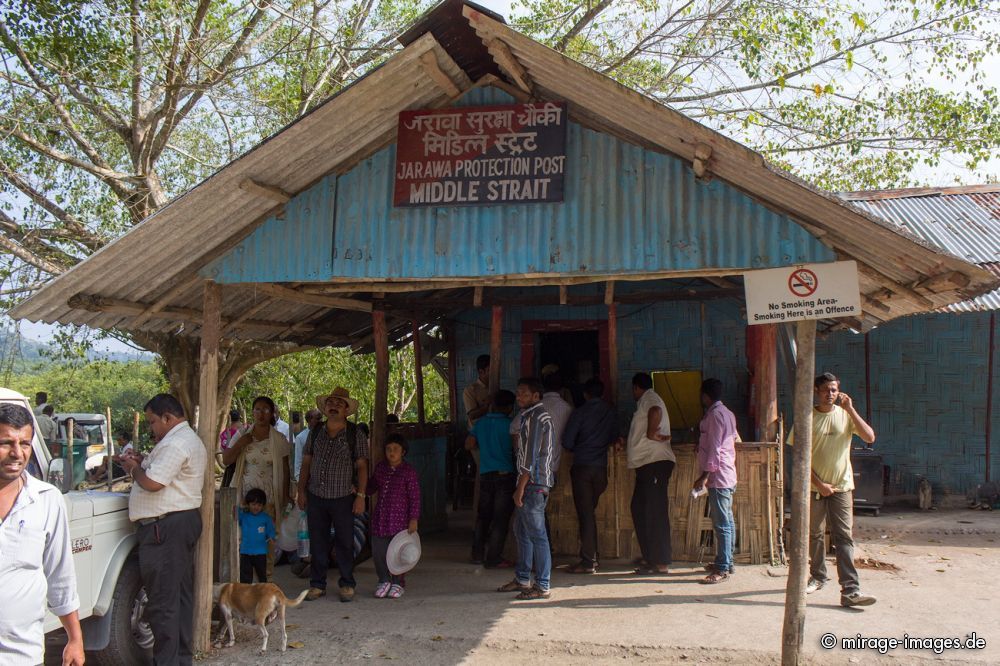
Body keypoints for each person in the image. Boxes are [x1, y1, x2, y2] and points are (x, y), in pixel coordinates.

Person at [119, 393, 206, 666]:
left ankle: (168, 661)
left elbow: (153, 483)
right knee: (177, 599)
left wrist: (133, 469)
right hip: (175, 525)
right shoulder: (180, 440)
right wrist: (143, 460)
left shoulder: (176, 443)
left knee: (163, 603)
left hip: (165, 528)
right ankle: (180, 659)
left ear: (167, 417)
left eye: (152, 421)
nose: (151, 427)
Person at [0, 403, 84, 666]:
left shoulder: (47, 499)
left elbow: (60, 574)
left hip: (22, 655)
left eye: (25, 444)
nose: (17, 453)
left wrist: (75, 639)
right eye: (5, 443)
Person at [788, 372, 877, 608]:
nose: (831, 394)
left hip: (842, 487)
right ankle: (818, 576)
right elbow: (799, 458)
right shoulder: (806, 418)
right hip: (814, 488)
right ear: (816, 391)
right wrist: (819, 484)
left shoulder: (845, 415)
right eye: (826, 389)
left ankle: (850, 590)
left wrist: (851, 409)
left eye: (834, 390)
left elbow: (869, 437)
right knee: (815, 535)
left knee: (844, 537)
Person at [297, 387, 370, 603]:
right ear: (325, 408)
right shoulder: (316, 431)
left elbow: (362, 467)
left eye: (339, 404)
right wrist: (301, 491)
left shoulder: (355, 433)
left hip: (343, 497)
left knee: (344, 542)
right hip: (316, 495)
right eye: (331, 403)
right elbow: (306, 462)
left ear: (346, 410)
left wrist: (361, 496)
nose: (334, 406)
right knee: (317, 541)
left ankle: (347, 583)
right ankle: (317, 584)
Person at [221, 396, 291, 580]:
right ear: (252, 412)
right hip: (245, 497)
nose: (261, 414)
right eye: (257, 409)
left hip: (269, 498)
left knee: (266, 540)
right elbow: (226, 460)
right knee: (243, 538)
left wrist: (285, 497)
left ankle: (265, 581)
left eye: (266, 410)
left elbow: (285, 471)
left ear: (272, 413)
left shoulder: (279, 439)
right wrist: (241, 443)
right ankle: (245, 582)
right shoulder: (243, 434)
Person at [498, 377, 554, 600]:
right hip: (532, 482)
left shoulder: (535, 418)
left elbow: (530, 458)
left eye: (524, 393)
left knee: (537, 535)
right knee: (522, 531)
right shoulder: (530, 416)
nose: (519, 396)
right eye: (518, 392)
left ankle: (542, 584)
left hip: (533, 483)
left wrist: (520, 487)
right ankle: (522, 578)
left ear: (536, 396)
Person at [562, 377, 619, 573]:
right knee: (589, 514)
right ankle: (592, 556)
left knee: (585, 515)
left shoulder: (580, 412)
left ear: (585, 394)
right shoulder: (610, 412)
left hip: (583, 469)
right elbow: (614, 436)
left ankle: (588, 562)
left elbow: (567, 442)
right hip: (601, 470)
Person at [626, 372, 674, 575]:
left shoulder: (650, 398)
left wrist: (651, 433)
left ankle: (661, 562)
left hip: (655, 463)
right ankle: (650, 557)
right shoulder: (646, 401)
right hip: (647, 464)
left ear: (636, 387)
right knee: (639, 508)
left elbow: (656, 411)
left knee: (655, 512)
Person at [694, 378, 739, 584]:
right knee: (727, 521)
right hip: (727, 474)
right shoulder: (727, 413)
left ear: (705, 396)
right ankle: (727, 562)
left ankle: (722, 569)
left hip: (718, 477)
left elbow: (715, 449)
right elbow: (732, 440)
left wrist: (703, 477)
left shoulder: (714, 416)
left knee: (722, 524)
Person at [466, 390, 517, 568]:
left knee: (483, 517)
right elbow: (517, 448)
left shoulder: (481, 423)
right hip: (505, 475)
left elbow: (469, 444)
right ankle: (493, 557)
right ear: (510, 407)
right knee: (500, 519)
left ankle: (477, 555)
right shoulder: (511, 425)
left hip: (486, 474)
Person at [366, 433, 420, 599]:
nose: (391, 452)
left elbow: (415, 497)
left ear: (403, 452)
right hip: (381, 518)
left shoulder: (409, 472)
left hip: (400, 521)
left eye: (395, 449)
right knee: (379, 551)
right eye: (388, 449)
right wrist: (359, 488)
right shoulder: (381, 468)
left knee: (398, 551)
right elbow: (371, 487)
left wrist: (413, 519)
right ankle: (383, 580)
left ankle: (398, 582)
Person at [239, 488, 277, 584]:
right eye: (253, 504)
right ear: (248, 504)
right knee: (245, 577)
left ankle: (263, 591)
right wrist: (242, 504)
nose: (256, 507)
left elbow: (271, 530)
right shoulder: (244, 516)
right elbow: (235, 512)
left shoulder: (266, 518)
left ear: (263, 506)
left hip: (261, 553)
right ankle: (246, 592)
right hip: (245, 552)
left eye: (259, 505)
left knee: (262, 576)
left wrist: (272, 538)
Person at [293, 409, 323, 485]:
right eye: (318, 418)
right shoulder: (301, 437)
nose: (321, 421)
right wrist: (299, 480)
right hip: (308, 479)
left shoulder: (325, 435)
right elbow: (298, 460)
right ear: (309, 420)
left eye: (321, 418)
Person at [463, 354, 491, 428]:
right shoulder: (470, 390)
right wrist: (486, 406)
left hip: (492, 430)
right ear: (481, 371)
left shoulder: (494, 388)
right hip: (478, 432)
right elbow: (471, 415)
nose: (493, 373)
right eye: (490, 370)